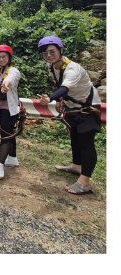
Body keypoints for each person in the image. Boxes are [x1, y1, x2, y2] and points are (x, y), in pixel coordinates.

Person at [38, 35, 102, 195]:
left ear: (60, 50)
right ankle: (76, 166)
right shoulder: (53, 67)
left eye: (52, 51)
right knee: (75, 137)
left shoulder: (73, 68)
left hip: (88, 108)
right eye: (45, 53)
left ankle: (85, 182)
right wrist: (60, 101)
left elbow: (65, 87)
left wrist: (50, 98)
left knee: (86, 142)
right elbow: (61, 87)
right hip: (72, 107)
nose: (48, 55)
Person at [0, 45, 22, 180]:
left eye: (4, 57)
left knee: (5, 135)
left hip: (11, 108)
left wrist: (6, 85)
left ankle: (0, 163)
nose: (1, 59)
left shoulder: (14, 71)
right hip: (1, 107)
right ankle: (12, 158)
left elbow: (11, 80)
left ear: (9, 58)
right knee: (8, 132)